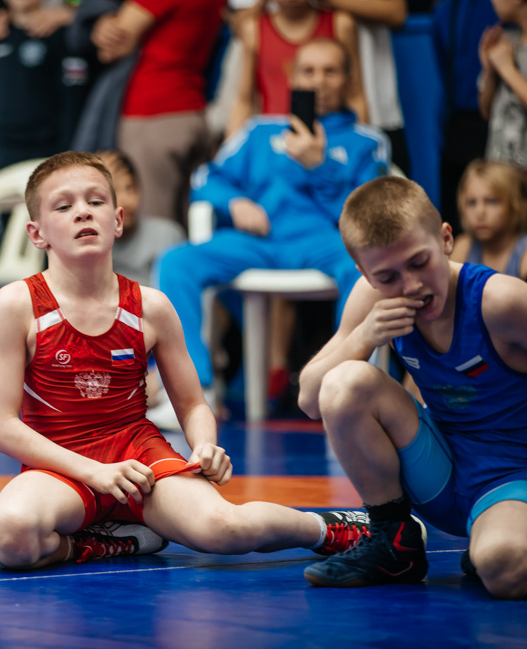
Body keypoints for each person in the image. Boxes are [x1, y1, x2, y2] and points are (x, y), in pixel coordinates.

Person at [0, 151, 370, 570]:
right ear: (36, 234)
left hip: (139, 459)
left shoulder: (151, 307)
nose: (82, 213)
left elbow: (192, 403)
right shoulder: (17, 304)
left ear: (117, 220)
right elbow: (0, 425)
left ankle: (327, 527)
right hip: (61, 462)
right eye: (64, 205)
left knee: (225, 528)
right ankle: (109, 542)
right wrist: (93, 472)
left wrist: (204, 445)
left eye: (95, 201)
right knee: (11, 538)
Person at [298, 176, 527, 599]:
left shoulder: (501, 302)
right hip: (439, 473)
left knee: (502, 565)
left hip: (511, 474)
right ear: (363, 274)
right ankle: (393, 541)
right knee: (343, 382)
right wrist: (364, 337)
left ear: (445, 239)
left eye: (419, 263)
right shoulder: (372, 299)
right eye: (386, 277)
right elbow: (310, 399)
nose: (411, 286)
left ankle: (496, 536)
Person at [154, 39, 388, 416]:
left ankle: (350, 389)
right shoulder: (259, 132)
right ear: (293, 78)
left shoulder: (366, 142)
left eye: (330, 71)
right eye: (308, 71)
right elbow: (206, 178)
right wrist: (236, 202)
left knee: (366, 270)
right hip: (258, 242)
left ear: (348, 79)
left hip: (324, 243)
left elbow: (369, 212)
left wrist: (321, 165)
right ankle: (192, 393)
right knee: (177, 262)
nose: (319, 81)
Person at [89, 0, 226, 224]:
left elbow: (111, 48)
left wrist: (99, 25)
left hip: (153, 112)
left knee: (151, 224)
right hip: (192, 110)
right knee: (190, 225)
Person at [228, 0, 366, 137]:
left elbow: (355, 94)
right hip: (276, 137)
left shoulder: (340, 23)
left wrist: (362, 143)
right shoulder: (254, 29)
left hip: (334, 134)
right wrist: (229, 152)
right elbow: (244, 101)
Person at [0, 0, 89, 175]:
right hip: (0, 154)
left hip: (47, 154)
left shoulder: (63, 36)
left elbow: (73, 104)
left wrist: (67, 160)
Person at [433, 0, 497, 233]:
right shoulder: (446, 8)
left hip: (500, 126)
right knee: (457, 219)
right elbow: (442, 67)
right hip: (457, 123)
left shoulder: (504, 2)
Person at [97, 148, 185, 288]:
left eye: (130, 187)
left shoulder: (167, 235)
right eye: (114, 191)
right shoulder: (92, 246)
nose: (127, 200)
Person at [450, 160, 527, 280]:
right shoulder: (464, 246)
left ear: (515, 205)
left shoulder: (524, 253)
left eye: (491, 201)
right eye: (471, 203)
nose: (480, 212)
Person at [479, 0, 527, 170]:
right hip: (500, 171)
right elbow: (486, 111)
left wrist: (507, 69)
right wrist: (490, 70)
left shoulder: (505, 58)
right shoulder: (506, 43)